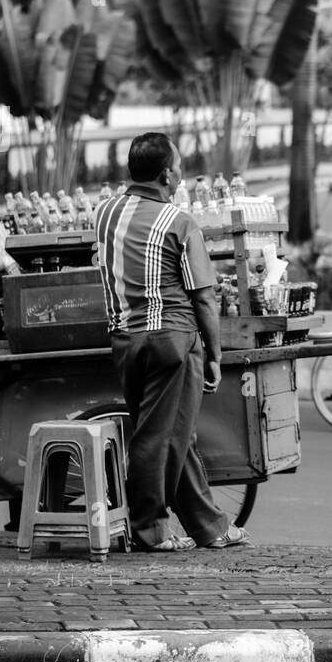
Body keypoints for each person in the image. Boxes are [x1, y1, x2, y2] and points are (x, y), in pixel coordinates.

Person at [91, 133, 248, 552]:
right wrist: (215, 355)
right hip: (172, 342)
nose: (180, 173)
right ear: (167, 174)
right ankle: (149, 530)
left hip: (126, 341)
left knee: (174, 434)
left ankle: (209, 527)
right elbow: (204, 296)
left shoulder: (104, 214)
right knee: (159, 438)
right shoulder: (179, 222)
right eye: (178, 166)